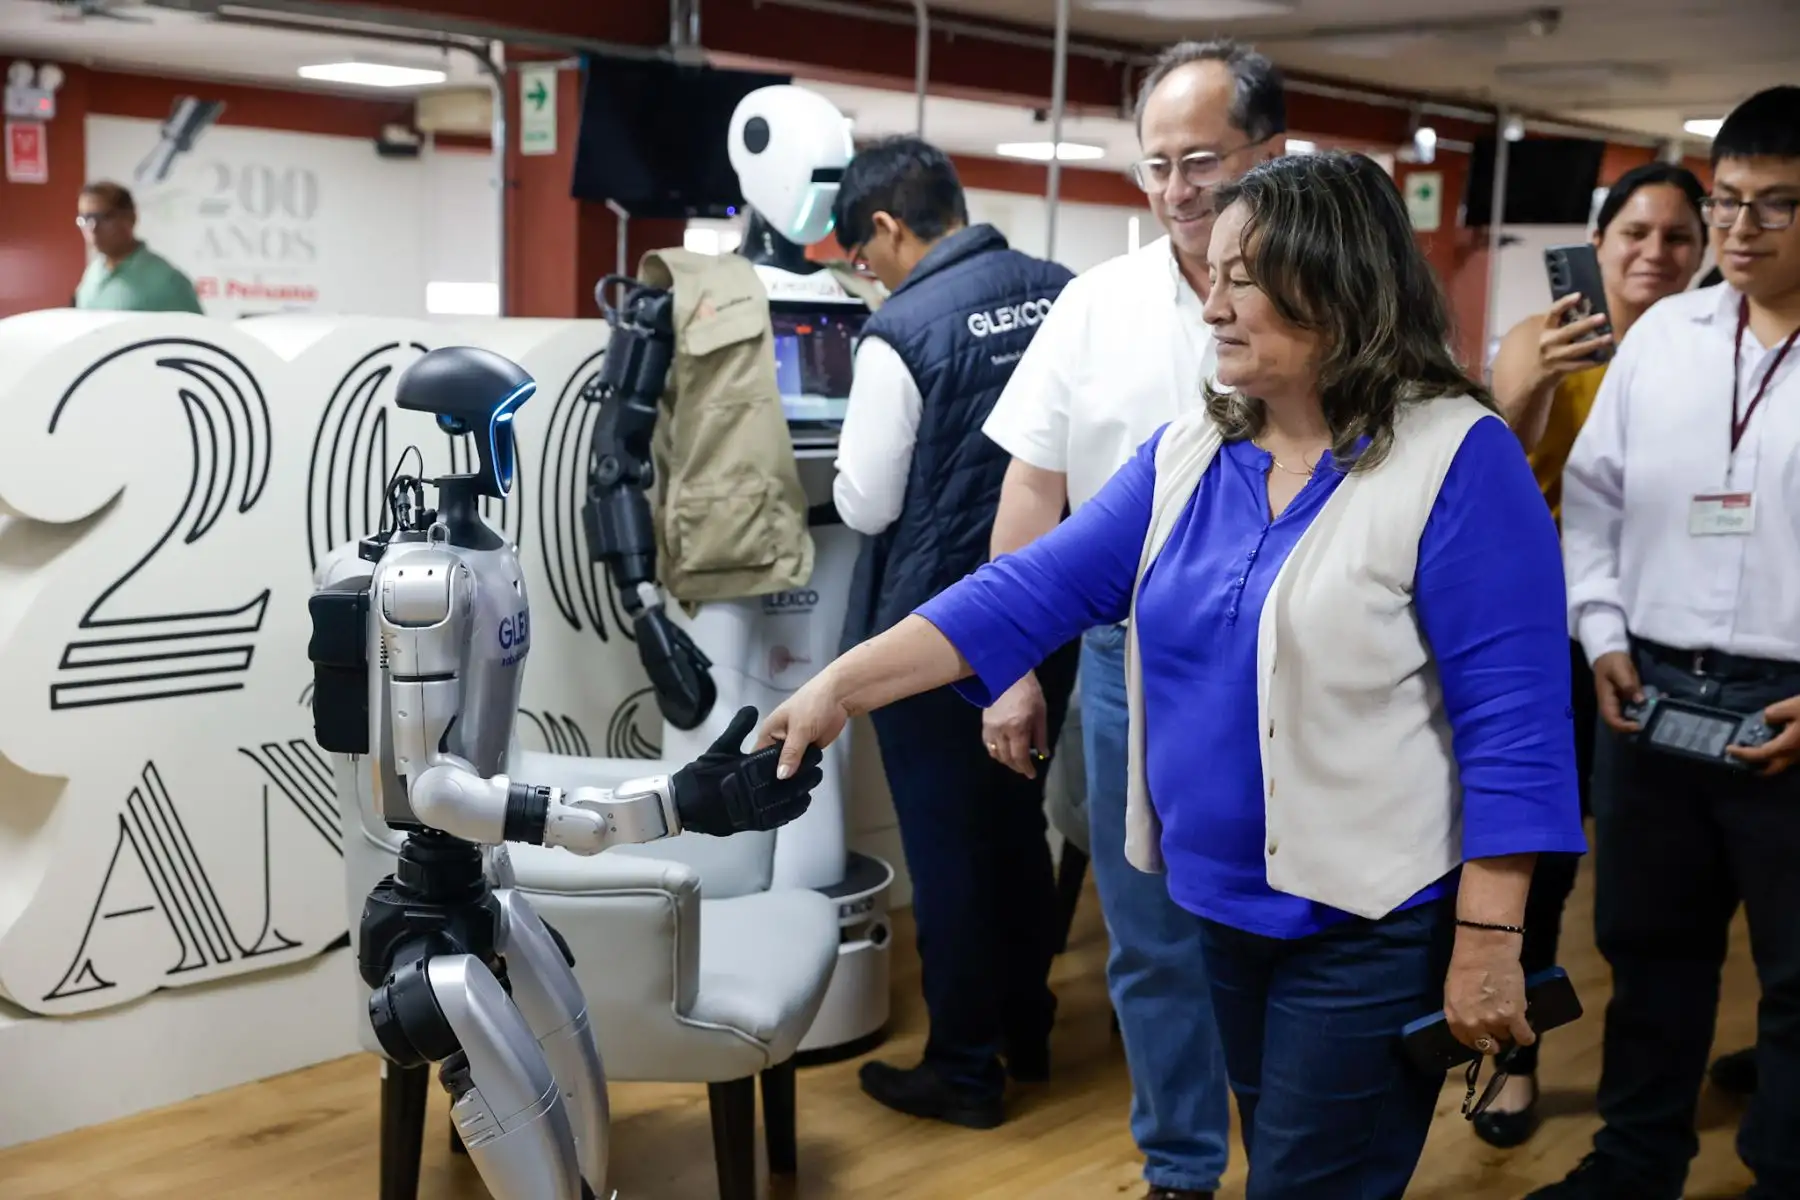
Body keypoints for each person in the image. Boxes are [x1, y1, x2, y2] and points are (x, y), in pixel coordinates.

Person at [762, 150, 1585, 1197]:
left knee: (1303, 1184)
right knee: (1283, 1164)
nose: (1214, 305)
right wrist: (842, 686)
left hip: (1373, 926)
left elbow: (1515, 731)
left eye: (1244, 277)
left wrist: (1487, 942)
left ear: (1335, 283)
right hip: (1224, 903)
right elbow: (1025, 592)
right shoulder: (1192, 447)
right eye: (1215, 274)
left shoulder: (1459, 459)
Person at [977, 38, 1284, 1199]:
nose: (1175, 191)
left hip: (1291, 659)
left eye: (1200, 159)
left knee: (1283, 924)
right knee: (1151, 935)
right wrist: (1010, 667)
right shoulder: (1094, 305)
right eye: (1154, 165)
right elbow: (1031, 491)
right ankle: (1182, 1168)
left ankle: (1294, 1162)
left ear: (1271, 152)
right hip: (1126, 660)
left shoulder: (1344, 303)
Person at [1532, 85, 1800, 1200]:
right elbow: (1592, 501)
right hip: (1643, 690)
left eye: (1776, 208)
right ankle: (1634, 1161)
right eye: (1728, 202)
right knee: (1650, 954)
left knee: (1798, 977)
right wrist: (1598, 633)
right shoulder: (1662, 342)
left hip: (1789, 706)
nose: (1739, 231)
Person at [826, 136, 1080, 1129]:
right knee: (1017, 828)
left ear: (887, 227)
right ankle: (1029, 1025)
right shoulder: (1064, 291)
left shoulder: (901, 327)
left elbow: (865, 501)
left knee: (947, 857)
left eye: (860, 252)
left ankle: (965, 1069)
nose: (867, 272)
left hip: (936, 630)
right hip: (1047, 609)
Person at [1479, 160, 1708, 1148]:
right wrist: (1533, 383)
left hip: (1670, 624)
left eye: (1677, 238)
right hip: (1551, 630)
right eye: (1636, 233)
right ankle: (1515, 1056)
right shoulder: (1543, 339)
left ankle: (1650, 1087)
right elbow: (1494, 480)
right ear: (1599, 240)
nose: (1656, 253)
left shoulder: (1716, 348)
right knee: (1545, 857)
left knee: (1674, 866)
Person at [73, 181, 203, 314]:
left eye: (104, 218)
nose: (93, 228)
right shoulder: (93, 273)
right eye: (85, 219)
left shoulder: (167, 281)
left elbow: (194, 332)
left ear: (130, 218)